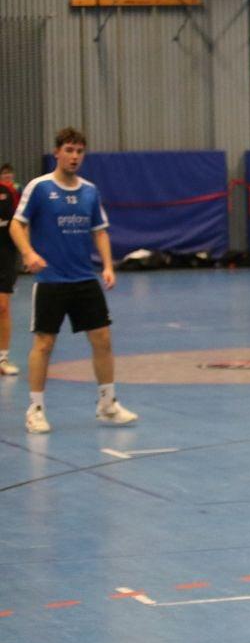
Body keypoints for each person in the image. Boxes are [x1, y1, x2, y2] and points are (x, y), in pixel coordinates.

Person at [8, 127, 137, 433]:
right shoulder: (40, 188)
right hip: (51, 280)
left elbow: (100, 231)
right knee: (44, 344)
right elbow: (16, 224)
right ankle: (35, 409)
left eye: (79, 151)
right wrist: (28, 253)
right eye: (69, 150)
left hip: (84, 278)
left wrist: (108, 266)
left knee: (102, 339)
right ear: (57, 153)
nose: (74, 156)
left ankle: (107, 404)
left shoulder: (90, 191)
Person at [0, 166, 20, 375]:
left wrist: (26, 251)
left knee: (3, 307)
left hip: (4, 257)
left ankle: (2, 359)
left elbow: (19, 223)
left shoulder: (8, 192)